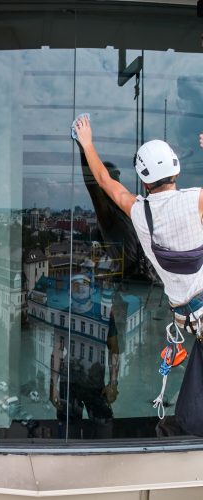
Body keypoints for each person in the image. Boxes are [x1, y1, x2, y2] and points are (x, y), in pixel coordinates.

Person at [75, 116, 203, 434]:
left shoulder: (140, 212)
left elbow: (105, 181)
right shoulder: (196, 201)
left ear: (144, 182)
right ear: (176, 171)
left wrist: (86, 142)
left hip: (189, 318)